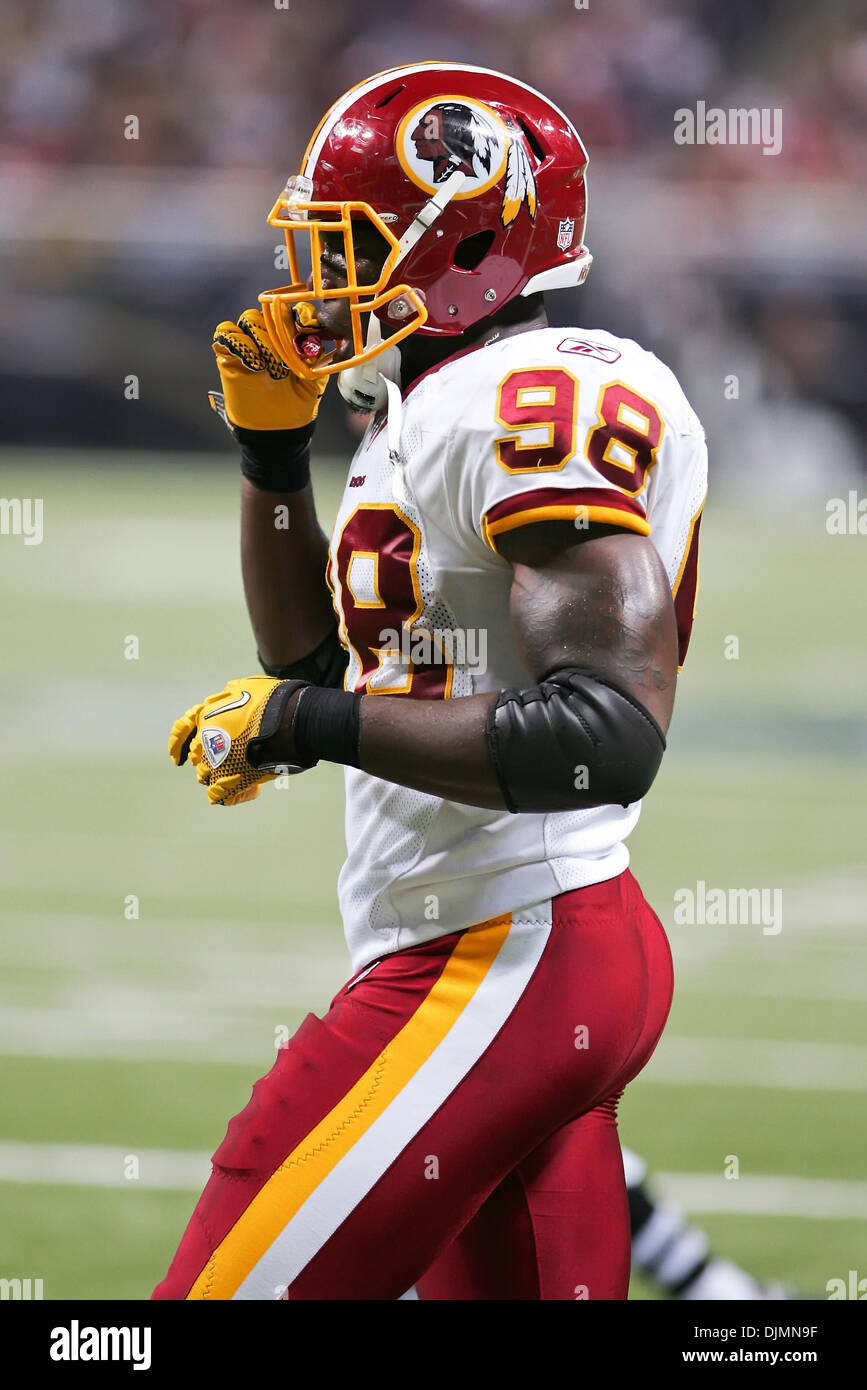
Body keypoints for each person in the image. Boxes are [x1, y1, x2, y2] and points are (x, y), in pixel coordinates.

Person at [153, 62, 706, 1301]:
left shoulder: (531, 396)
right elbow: (316, 661)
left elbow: (601, 734)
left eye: (349, 244)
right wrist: (270, 456)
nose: (318, 279)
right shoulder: (436, 404)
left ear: (469, 242)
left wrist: (308, 722)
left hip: (502, 944)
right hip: (523, 936)